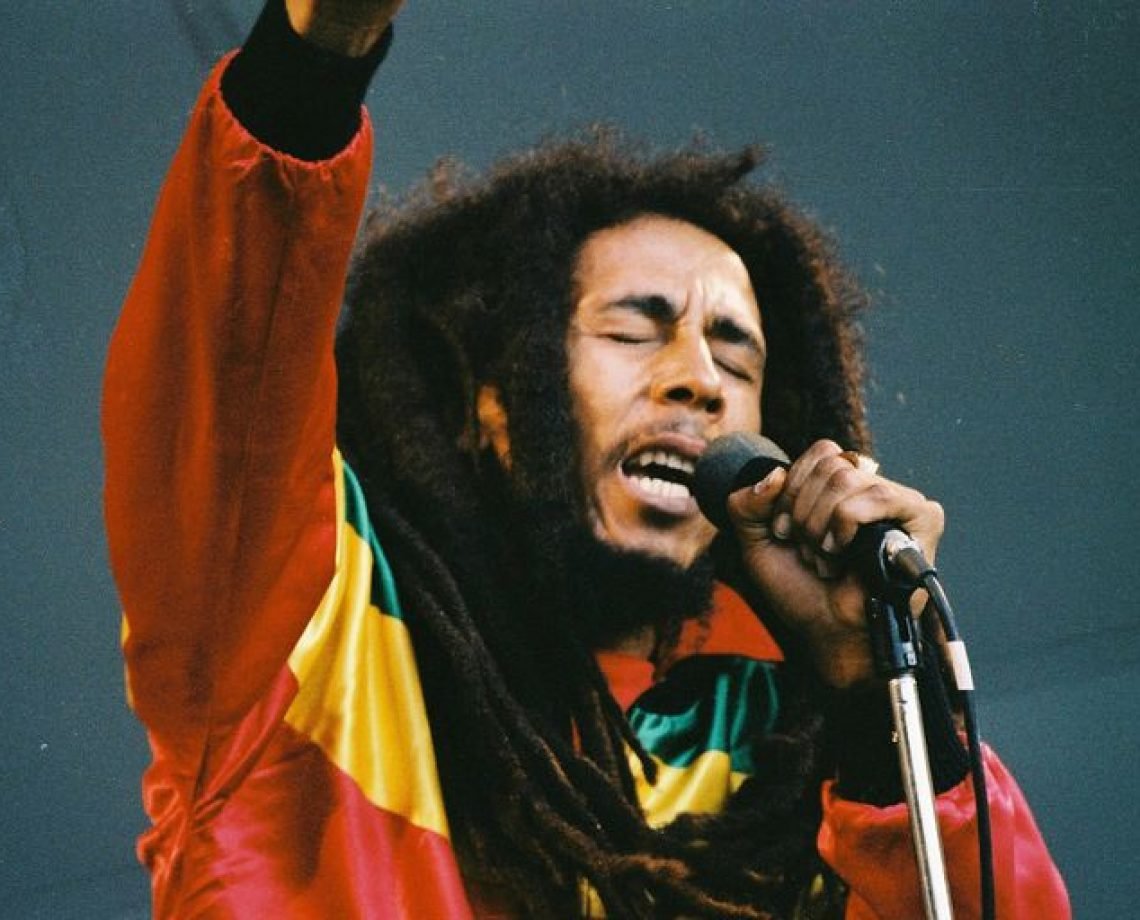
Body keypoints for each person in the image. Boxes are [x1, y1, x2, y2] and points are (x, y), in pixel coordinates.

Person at [102, 0, 1070, 917]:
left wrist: (879, 701)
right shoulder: (312, 633)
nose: (700, 380)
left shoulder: (803, 765)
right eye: (634, 330)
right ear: (494, 405)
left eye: (737, 357)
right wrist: (318, 51)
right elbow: (232, 355)